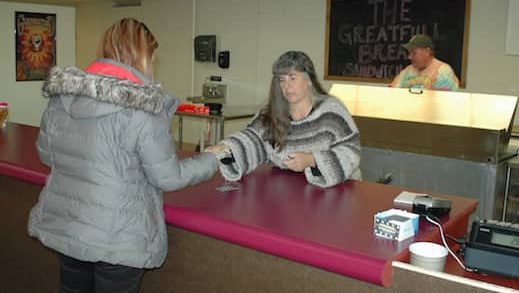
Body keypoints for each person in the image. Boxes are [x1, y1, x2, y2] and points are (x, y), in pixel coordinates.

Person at [28, 18, 218, 293]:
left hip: (68, 227)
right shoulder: (143, 108)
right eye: (151, 56)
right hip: (118, 237)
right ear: (142, 55)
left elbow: (46, 154)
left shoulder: (61, 99)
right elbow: (168, 177)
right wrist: (211, 159)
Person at [205, 51, 361, 188]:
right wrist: (226, 148)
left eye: (292, 78)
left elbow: (351, 151)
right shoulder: (272, 113)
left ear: (309, 80)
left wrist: (313, 160)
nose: (286, 86)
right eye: (282, 80)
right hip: (289, 190)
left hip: (338, 190)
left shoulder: (331, 112)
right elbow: (253, 138)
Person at [390, 34, 459, 91]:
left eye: (414, 53)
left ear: (427, 52)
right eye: (409, 53)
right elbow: (392, 92)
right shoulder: (407, 71)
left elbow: (441, 102)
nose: (409, 57)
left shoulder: (443, 72)